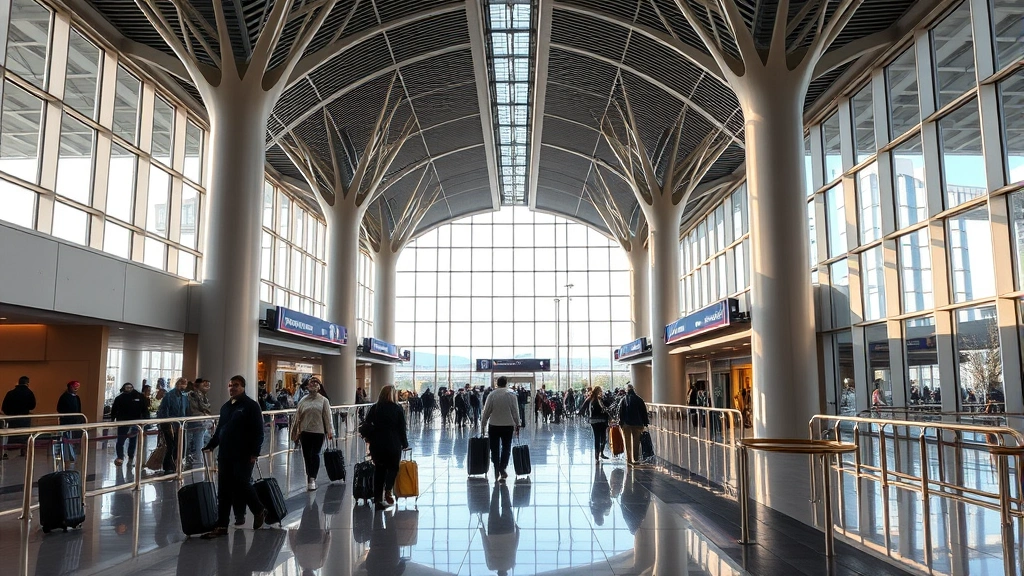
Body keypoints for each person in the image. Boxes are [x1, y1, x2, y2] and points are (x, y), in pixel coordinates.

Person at [201, 375, 266, 539]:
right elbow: (220, 430)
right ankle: (222, 525)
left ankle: (258, 509)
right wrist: (212, 444)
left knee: (241, 482)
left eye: (236, 385)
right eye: (230, 385)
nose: (232, 388)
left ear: (243, 387)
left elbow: (259, 431)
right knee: (223, 489)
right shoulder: (225, 407)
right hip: (225, 454)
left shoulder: (251, 406)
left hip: (243, 453)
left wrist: (255, 452)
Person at [360, 385, 408, 510]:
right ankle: (388, 489)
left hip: (377, 443)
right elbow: (402, 428)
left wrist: (369, 437)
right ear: (393, 395)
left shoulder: (375, 408)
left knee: (379, 470)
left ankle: (377, 500)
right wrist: (405, 443)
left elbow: (367, 423)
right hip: (393, 442)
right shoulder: (397, 408)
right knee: (393, 467)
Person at [292, 376, 334, 491]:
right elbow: (297, 417)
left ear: (319, 386)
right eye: (311, 383)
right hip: (305, 432)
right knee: (306, 455)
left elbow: (327, 417)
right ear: (307, 386)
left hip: (318, 432)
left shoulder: (324, 400)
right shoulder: (303, 400)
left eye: (316, 383)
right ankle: (309, 476)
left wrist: (330, 431)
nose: (313, 385)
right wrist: (295, 432)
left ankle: (312, 478)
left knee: (314, 454)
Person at [480, 376, 521, 482]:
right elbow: (515, 411)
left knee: (494, 448)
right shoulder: (512, 394)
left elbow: (486, 411)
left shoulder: (492, 395)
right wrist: (518, 423)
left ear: (497, 383)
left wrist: (483, 424)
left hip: (494, 425)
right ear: (506, 383)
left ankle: (496, 467)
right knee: (506, 448)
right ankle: (502, 467)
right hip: (508, 425)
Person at [480, 482, 519, 576]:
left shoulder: (511, 564)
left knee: (506, 506)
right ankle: (496, 487)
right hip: (493, 533)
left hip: (508, 532)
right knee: (493, 506)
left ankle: (503, 485)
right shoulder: (491, 566)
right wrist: (482, 532)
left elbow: (514, 547)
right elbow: (487, 548)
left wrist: (517, 531)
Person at [156, 377, 190, 473]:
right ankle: (167, 466)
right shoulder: (169, 395)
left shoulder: (184, 396)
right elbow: (164, 410)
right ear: (177, 383)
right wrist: (167, 424)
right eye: (181, 383)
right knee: (170, 446)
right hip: (170, 425)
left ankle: (176, 464)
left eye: (185, 383)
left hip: (181, 425)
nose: (183, 385)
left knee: (180, 446)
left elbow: (186, 410)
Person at [110, 382, 147, 466]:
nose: (129, 389)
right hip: (124, 422)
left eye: (130, 387)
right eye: (127, 387)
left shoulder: (139, 397)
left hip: (135, 422)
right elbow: (114, 409)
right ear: (124, 388)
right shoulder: (120, 398)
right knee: (121, 440)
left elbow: (144, 409)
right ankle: (121, 457)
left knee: (131, 440)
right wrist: (112, 419)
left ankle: (130, 456)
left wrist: (145, 420)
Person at [1, 376, 36, 459]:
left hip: (11, 418)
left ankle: (6, 451)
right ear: (27, 383)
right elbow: (32, 406)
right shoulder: (29, 393)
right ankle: (24, 451)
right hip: (24, 418)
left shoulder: (10, 393)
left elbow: (4, 407)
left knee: (10, 435)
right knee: (24, 435)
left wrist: (9, 413)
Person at [618, 384, 650, 466]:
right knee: (636, 442)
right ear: (633, 390)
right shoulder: (639, 399)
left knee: (627, 442)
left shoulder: (623, 400)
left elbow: (620, 412)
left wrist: (621, 422)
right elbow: (644, 412)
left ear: (626, 390)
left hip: (626, 424)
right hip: (638, 424)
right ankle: (635, 458)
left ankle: (629, 460)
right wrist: (645, 422)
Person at [187, 378, 213, 467]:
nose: (207, 386)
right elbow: (197, 408)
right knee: (198, 441)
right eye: (204, 384)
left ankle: (198, 459)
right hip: (196, 421)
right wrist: (204, 414)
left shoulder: (202, 396)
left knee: (201, 439)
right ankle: (197, 460)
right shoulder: (194, 395)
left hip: (200, 422)